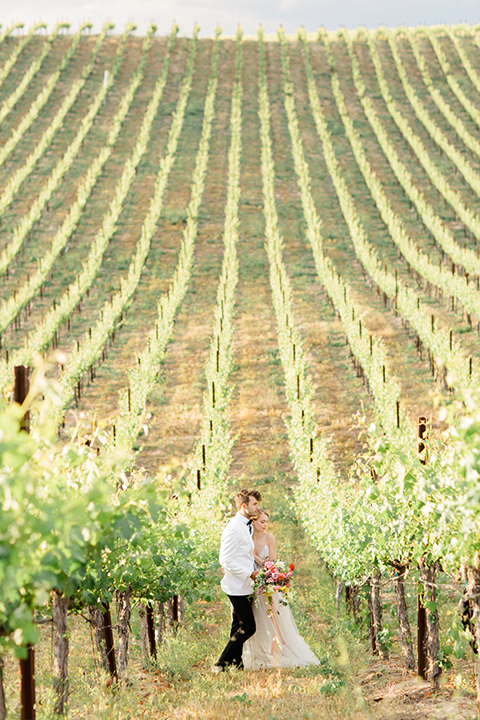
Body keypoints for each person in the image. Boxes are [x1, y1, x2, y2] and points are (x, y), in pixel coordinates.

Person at [243, 509, 320, 669]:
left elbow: (272, 561)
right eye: (262, 522)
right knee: (256, 620)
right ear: (253, 522)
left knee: (274, 618)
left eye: (266, 522)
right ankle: (260, 652)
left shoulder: (269, 538)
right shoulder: (247, 538)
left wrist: (255, 558)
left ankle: (278, 651)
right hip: (250, 583)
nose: (265, 525)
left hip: (268, 583)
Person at [214, 488, 262, 672]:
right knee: (249, 627)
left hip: (244, 585)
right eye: (254, 504)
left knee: (238, 626)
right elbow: (225, 560)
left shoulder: (246, 524)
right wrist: (249, 573)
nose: (258, 507)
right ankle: (221, 663)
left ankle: (236, 663)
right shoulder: (233, 528)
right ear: (244, 506)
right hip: (236, 586)